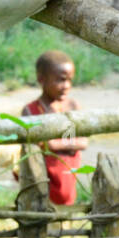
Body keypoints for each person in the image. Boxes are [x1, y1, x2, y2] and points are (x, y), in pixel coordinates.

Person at [21, 50, 88, 205]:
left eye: (70, 80)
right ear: (41, 79)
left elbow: (82, 142)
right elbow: (30, 149)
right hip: (42, 176)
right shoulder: (31, 111)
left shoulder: (72, 106)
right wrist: (68, 144)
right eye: (60, 80)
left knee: (65, 216)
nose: (66, 86)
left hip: (67, 172)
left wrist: (52, 144)